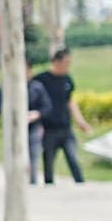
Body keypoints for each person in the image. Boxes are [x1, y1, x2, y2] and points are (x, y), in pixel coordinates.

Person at [33, 46, 91, 184]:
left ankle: (81, 185)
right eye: (66, 63)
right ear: (56, 62)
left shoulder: (67, 80)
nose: (68, 66)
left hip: (66, 128)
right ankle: (49, 188)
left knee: (73, 158)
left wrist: (80, 122)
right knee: (49, 163)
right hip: (48, 129)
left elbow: (70, 102)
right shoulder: (41, 80)